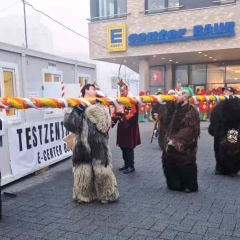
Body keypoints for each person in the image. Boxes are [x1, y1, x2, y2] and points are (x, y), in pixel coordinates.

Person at [63, 84, 119, 204]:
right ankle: (84, 195)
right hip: (81, 145)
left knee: (102, 171)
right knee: (83, 171)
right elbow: (70, 125)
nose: (96, 91)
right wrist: (79, 109)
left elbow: (105, 125)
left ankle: (109, 194)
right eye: (93, 88)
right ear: (86, 90)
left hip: (99, 144)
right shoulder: (76, 104)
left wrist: (95, 109)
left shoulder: (101, 104)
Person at [162, 87, 200, 193]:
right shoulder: (175, 109)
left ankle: (189, 185)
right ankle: (175, 184)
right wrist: (169, 105)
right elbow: (166, 121)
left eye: (180, 94)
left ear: (186, 96)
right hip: (171, 142)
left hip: (184, 144)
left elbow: (190, 128)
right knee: (170, 163)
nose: (177, 96)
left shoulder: (191, 110)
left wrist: (177, 140)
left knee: (185, 163)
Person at [208, 87, 240, 175]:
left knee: (232, 150)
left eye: (227, 91)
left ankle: (232, 169)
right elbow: (214, 116)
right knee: (218, 149)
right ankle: (219, 167)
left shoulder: (237, 104)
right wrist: (213, 128)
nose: (224, 92)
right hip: (219, 132)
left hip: (232, 131)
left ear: (232, 93)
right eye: (224, 91)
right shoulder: (220, 104)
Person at [112, 81, 141, 174]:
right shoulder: (119, 100)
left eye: (123, 90)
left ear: (127, 90)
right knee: (122, 145)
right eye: (120, 91)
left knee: (129, 146)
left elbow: (134, 114)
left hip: (129, 126)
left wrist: (125, 119)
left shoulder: (132, 100)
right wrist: (113, 120)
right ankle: (126, 164)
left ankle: (131, 165)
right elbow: (115, 112)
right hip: (121, 126)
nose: (121, 92)